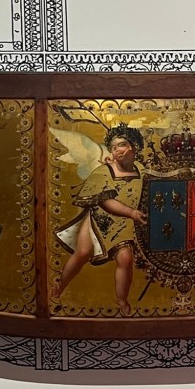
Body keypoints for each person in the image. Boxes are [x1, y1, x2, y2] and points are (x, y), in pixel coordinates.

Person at [52, 124, 148, 316]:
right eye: (113, 147)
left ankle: (121, 299)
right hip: (98, 221)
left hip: (124, 225)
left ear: (133, 146)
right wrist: (131, 212)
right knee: (83, 253)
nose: (116, 150)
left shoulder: (141, 169)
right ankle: (60, 285)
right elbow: (105, 202)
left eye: (121, 145)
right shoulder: (103, 172)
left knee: (125, 258)